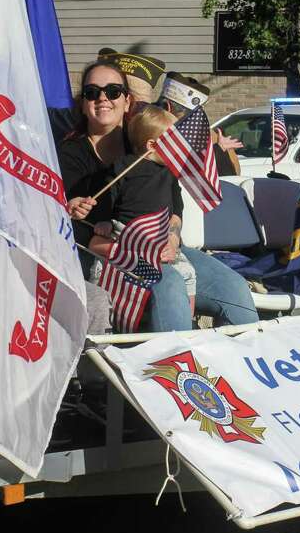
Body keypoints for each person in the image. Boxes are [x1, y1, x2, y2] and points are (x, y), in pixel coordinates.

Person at [58, 60, 257, 331]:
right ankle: (178, 369)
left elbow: (174, 204)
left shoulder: (152, 147)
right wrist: (69, 207)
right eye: (92, 92)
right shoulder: (68, 154)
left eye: (113, 91)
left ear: (127, 101)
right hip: (109, 254)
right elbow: (64, 221)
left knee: (234, 288)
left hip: (166, 247)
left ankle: (239, 366)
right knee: (171, 284)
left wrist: (173, 237)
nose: (103, 98)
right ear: (83, 103)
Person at [90, 106, 196, 318]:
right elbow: (107, 200)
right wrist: (104, 221)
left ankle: (188, 326)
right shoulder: (123, 167)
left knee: (189, 273)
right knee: (104, 273)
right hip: (125, 234)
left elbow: (176, 210)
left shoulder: (169, 173)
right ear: (152, 145)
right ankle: (104, 320)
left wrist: (172, 241)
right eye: (173, 143)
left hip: (159, 238)